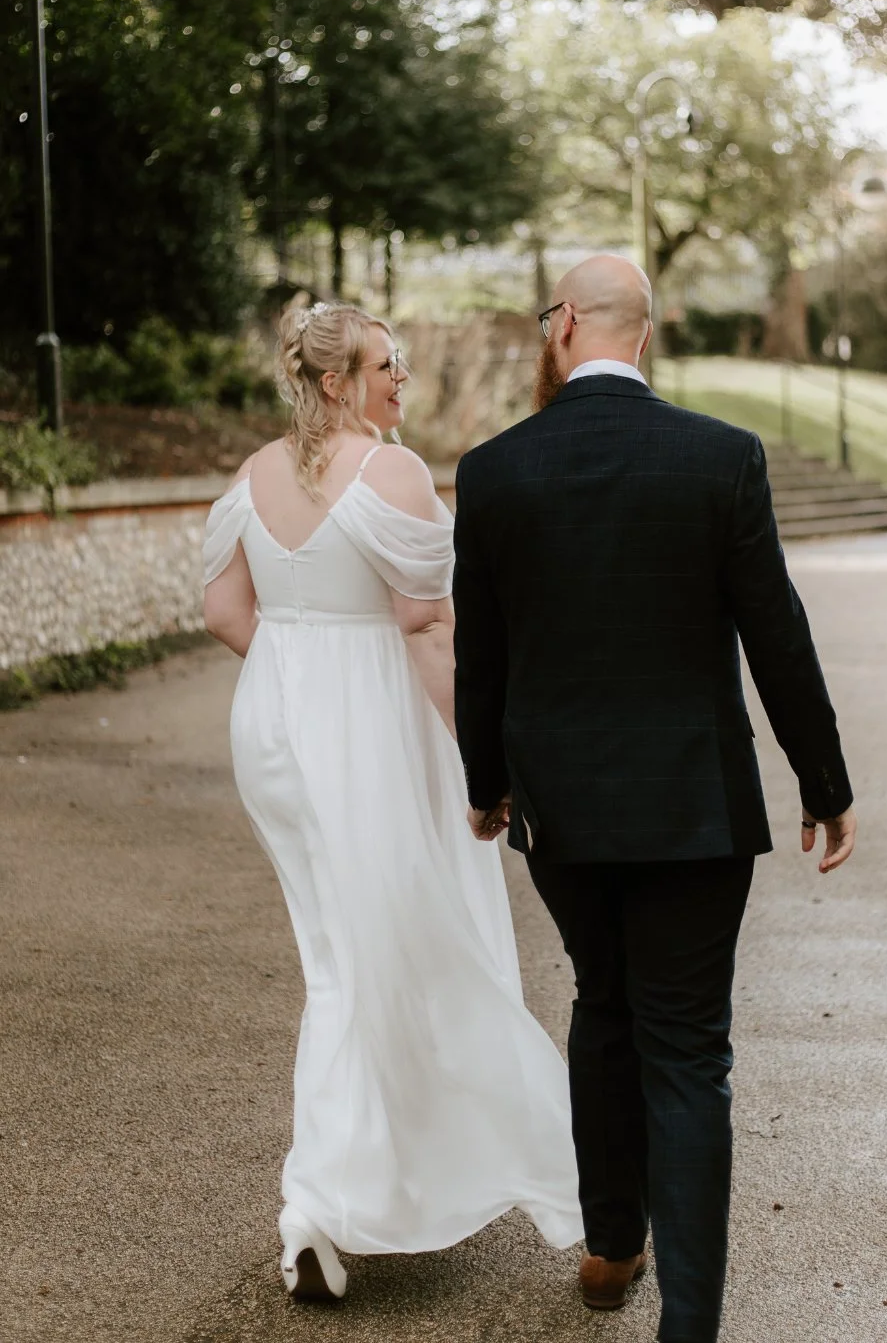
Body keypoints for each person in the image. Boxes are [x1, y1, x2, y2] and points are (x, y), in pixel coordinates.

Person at [452, 256, 857, 1343]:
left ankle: (610, 1245)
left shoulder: (493, 471)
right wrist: (824, 783)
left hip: (566, 814)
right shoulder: (718, 458)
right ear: (645, 334)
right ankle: (692, 1319)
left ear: (568, 324)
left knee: (603, 1006)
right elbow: (777, 632)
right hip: (694, 810)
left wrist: (485, 784)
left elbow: (480, 659)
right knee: (688, 1048)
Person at [201, 301, 582, 1302]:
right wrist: (482, 758)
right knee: (415, 946)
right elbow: (423, 627)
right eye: (386, 365)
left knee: (344, 957)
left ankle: (351, 1190)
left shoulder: (254, 474)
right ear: (338, 384)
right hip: (369, 742)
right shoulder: (393, 472)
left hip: (276, 743)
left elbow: (224, 609)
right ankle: (343, 1198)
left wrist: (299, 675)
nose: (402, 380)